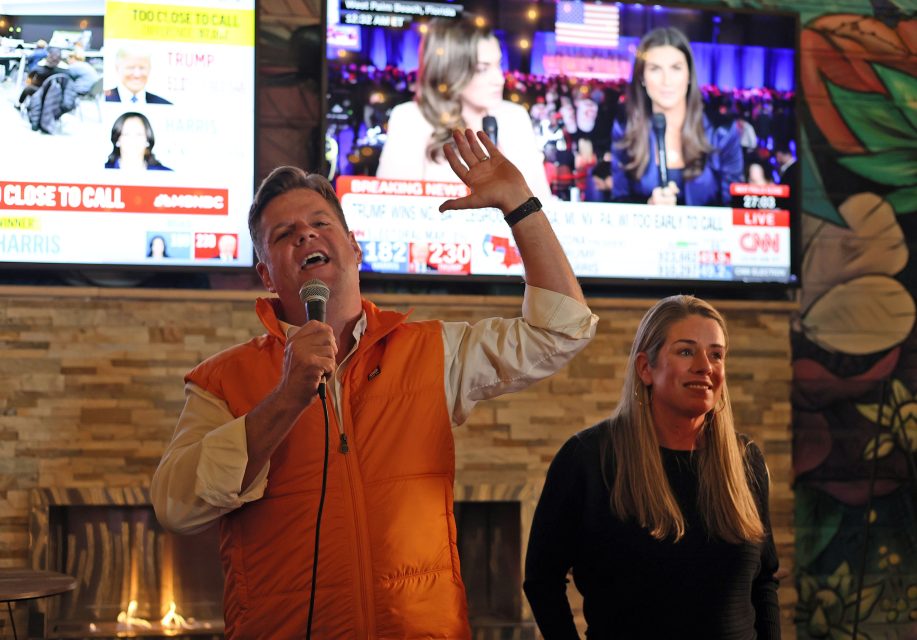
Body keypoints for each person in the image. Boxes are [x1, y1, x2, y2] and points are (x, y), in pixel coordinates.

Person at [151, 128, 597, 638]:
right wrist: (286, 398)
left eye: (320, 223)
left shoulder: (433, 352)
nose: (306, 235)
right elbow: (176, 507)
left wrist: (520, 206)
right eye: (284, 234)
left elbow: (562, 330)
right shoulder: (222, 380)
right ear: (267, 276)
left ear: (354, 247)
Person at [524, 295, 780, 639]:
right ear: (646, 368)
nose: (705, 366)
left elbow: (764, 581)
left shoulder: (745, 459)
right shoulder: (587, 458)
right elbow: (542, 580)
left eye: (716, 354)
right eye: (686, 351)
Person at [376, 17, 552, 201]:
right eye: (482, 69)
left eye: (498, 65)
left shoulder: (515, 118)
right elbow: (391, 205)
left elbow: (541, 204)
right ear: (450, 71)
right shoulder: (411, 118)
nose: (499, 80)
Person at [612, 27, 743, 206]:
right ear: (642, 77)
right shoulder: (625, 130)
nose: (667, 81)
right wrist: (647, 209)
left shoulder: (722, 133)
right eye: (655, 69)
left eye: (676, 68)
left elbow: (735, 209)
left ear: (689, 75)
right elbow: (619, 201)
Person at [105, 112, 172, 171]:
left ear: (147, 139)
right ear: (117, 139)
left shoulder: (166, 175)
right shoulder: (103, 172)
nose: (133, 140)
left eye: (139, 134)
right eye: (126, 134)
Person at [105, 48, 171, 104]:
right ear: (117, 68)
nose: (137, 74)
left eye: (142, 68)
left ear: (150, 69)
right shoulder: (103, 99)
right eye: (131, 67)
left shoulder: (164, 105)